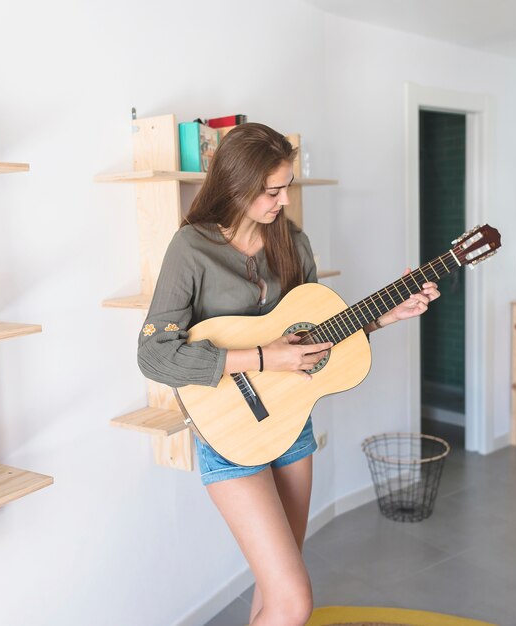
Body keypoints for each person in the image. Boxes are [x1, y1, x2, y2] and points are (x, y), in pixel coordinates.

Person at [137, 123, 440, 626]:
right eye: (273, 190)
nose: (284, 200)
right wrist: (261, 356)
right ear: (235, 185)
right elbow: (153, 355)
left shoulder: (293, 243)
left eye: (288, 187)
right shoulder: (191, 248)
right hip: (228, 432)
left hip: (291, 425)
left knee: (275, 590)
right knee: (295, 600)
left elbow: (317, 339)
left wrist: (387, 315)